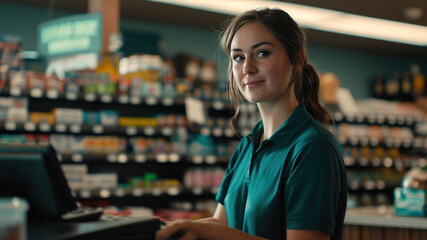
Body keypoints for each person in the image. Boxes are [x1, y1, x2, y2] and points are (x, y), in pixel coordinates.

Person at [156, 7, 348, 240]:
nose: (247, 68)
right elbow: (221, 222)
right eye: (238, 57)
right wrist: (164, 228)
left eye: (262, 53)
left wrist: (209, 231)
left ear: (297, 60)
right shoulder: (247, 146)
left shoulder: (313, 147)